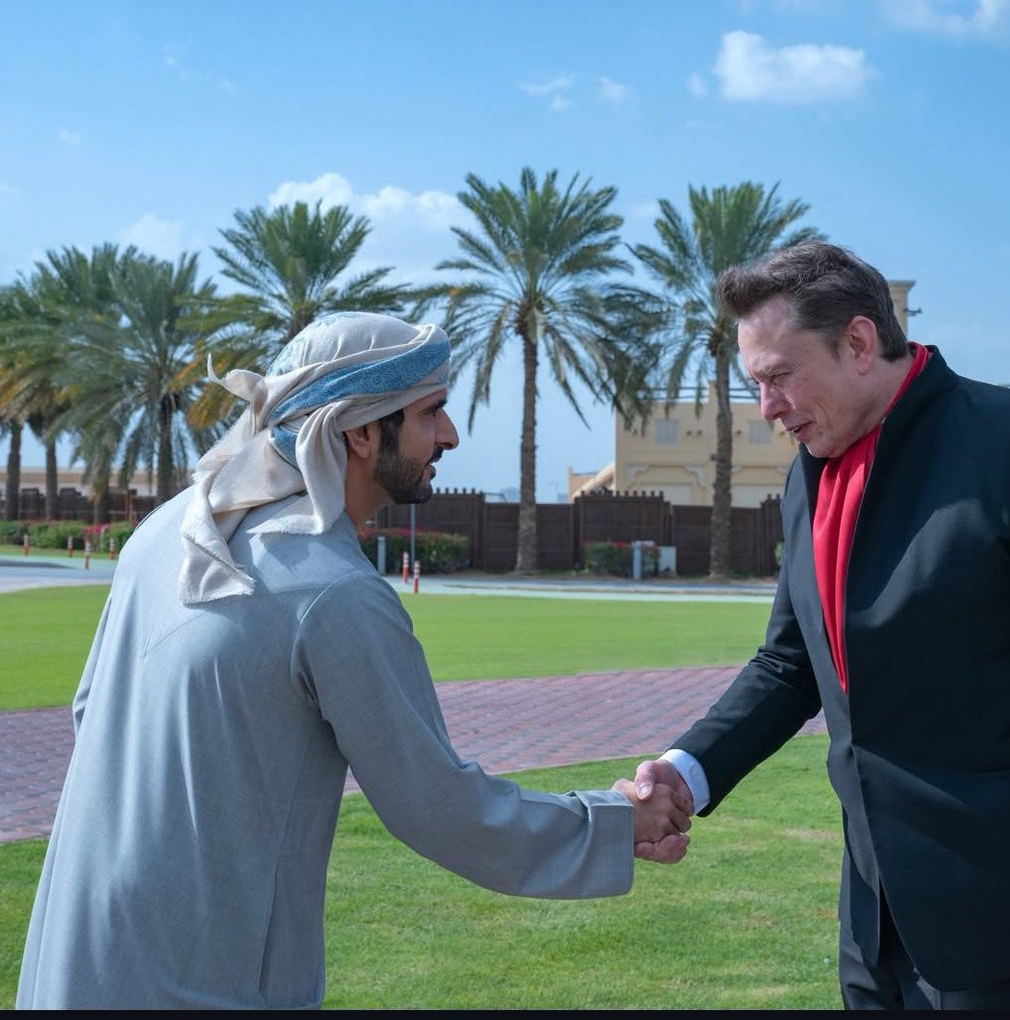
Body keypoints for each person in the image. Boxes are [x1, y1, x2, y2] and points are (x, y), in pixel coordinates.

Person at [17, 311, 690, 1010]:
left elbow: (91, 713)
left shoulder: (165, 531)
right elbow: (442, 808)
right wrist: (616, 821)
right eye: (430, 411)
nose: (450, 435)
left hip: (70, 962)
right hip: (203, 985)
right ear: (361, 431)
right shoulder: (333, 592)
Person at [634, 241, 1010, 1011]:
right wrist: (686, 770)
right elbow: (790, 664)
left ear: (857, 342)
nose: (767, 407)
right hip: (870, 924)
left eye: (779, 376)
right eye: (755, 384)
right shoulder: (808, 472)